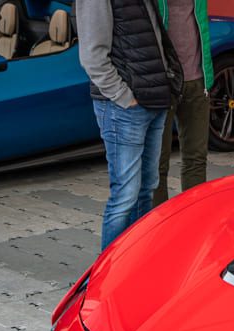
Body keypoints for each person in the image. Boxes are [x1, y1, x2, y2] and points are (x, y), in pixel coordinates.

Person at [76, 0, 182, 250]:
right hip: (124, 108)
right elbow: (92, 57)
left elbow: (154, 39)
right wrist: (125, 97)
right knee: (125, 196)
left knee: (146, 189)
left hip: (154, 101)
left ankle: (135, 263)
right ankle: (106, 277)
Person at [153, 0, 212, 206]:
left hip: (197, 79)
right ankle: (158, 226)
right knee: (158, 163)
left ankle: (192, 217)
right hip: (163, 83)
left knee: (196, 159)